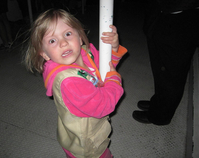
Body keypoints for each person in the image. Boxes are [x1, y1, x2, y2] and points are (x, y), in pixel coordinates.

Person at [25, 9, 127, 157]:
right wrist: (115, 80)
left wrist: (114, 48)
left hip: (80, 131)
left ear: (79, 37)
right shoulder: (69, 82)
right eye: (52, 41)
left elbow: (106, 68)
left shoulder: (86, 53)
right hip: (88, 144)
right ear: (45, 54)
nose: (63, 43)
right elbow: (104, 104)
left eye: (67, 34)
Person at [132, 0, 199, 125]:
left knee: (172, 73)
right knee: (160, 69)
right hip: (163, 13)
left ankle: (160, 116)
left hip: (181, 16)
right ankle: (159, 103)